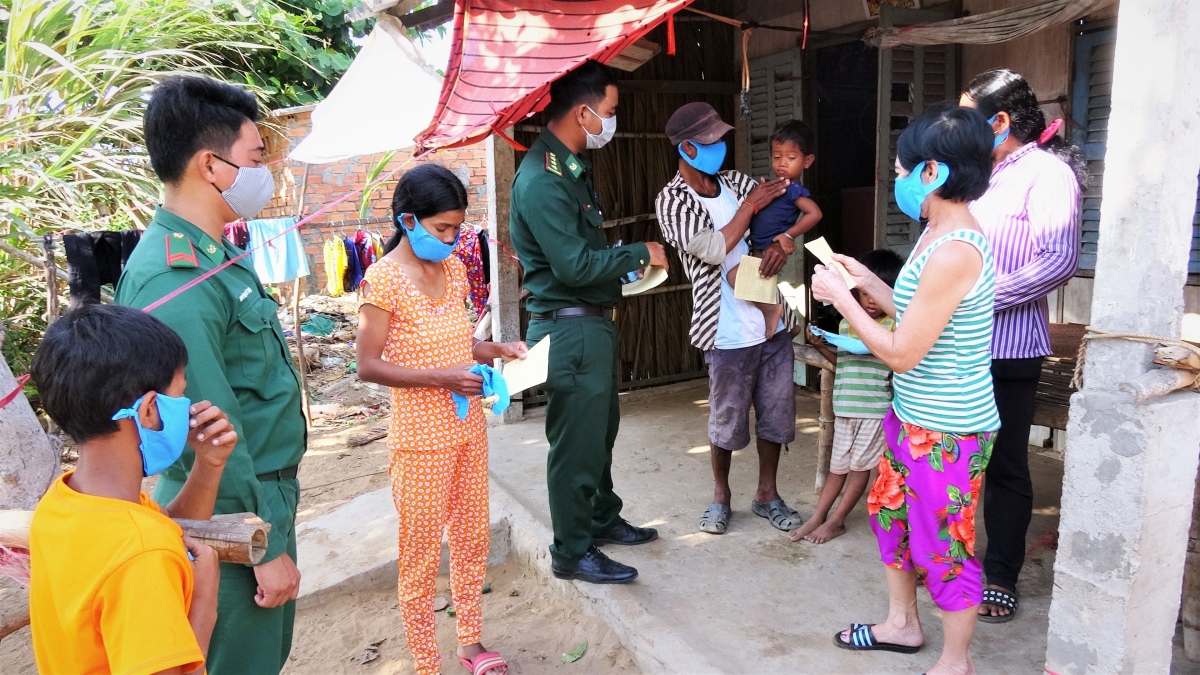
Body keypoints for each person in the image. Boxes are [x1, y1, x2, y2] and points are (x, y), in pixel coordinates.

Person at [115, 75, 307, 674]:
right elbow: (209, 433)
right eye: (255, 158)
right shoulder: (174, 278)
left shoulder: (212, 252)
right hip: (225, 518)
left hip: (260, 498)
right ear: (211, 165)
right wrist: (261, 546)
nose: (263, 173)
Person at [815, 104, 998, 675]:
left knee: (947, 545)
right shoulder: (936, 232)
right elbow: (918, 318)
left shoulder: (954, 250)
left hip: (948, 429)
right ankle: (902, 625)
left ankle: (956, 660)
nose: (895, 180)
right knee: (890, 516)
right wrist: (866, 281)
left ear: (933, 173)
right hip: (913, 415)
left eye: (900, 170)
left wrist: (844, 302)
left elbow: (901, 350)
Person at [356, 163, 526, 675]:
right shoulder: (381, 279)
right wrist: (443, 379)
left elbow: (459, 343)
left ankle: (470, 643)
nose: (452, 240)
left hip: (468, 427)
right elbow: (368, 365)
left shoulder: (453, 270)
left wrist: (498, 348)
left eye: (456, 228)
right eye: (441, 229)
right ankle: (426, 663)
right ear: (408, 221)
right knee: (422, 552)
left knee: (473, 536)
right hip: (420, 440)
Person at [509, 60, 668, 584]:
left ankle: (600, 518)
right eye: (610, 111)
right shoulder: (543, 180)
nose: (613, 120)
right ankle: (571, 550)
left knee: (598, 435)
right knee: (575, 447)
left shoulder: (568, 169)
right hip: (567, 330)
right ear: (583, 112)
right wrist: (636, 253)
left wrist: (622, 261)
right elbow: (574, 265)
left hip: (587, 326)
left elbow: (579, 254)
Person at [28, 304, 238, 675]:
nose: (187, 407)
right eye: (180, 393)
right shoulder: (141, 552)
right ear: (149, 412)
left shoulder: (66, 502)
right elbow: (149, 547)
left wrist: (209, 464)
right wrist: (205, 604)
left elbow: (167, 530)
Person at [960, 69, 1086, 623]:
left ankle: (1001, 574)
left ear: (1001, 121)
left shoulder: (1047, 174)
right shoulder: (974, 175)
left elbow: (1058, 261)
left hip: (1009, 350)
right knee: (953, 461)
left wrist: (980, 298)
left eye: (970, 116)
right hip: (958, 346)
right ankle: (950, 563)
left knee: (1005, 466)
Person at [654, 101, 803, 536]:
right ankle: (721, 496)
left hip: (772, 319)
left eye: (722, 138)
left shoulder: (737, 182)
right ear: (687, 148)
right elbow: (716, 249)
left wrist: (784, 240)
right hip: (723, 327)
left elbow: (787, 208)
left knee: (776, 414)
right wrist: (750, 208)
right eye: (711, 141)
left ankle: (767, 494)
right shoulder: (673, 200)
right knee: (726, 418)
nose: (721, 146)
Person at [791, 249, 903, 545]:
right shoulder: (844, 325)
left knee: (858, 469)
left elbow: (893, 361)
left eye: (879, 293)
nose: (871, 300)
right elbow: (844, 363)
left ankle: (837, 521)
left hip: (874, 410)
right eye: (865, 292)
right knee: (837, 466)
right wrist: (820, 345)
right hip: (844, 409)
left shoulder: (894, 327)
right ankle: (818, 516)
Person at [727, 119, 823, 336]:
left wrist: (788, 235)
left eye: (791, 158)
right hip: (757, 248)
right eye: (777, 156)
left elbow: (815, 213)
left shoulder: (794, 189)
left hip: (769, 251)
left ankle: (773, 312)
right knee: (755, 285)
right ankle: (789, 325)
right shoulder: (777, 186)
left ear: (807, 161)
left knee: (734, 278)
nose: (782, 163)